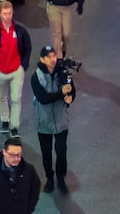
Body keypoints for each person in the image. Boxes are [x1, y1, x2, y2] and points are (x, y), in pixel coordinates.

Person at [0, 1, 32, 138]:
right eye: (5, 14)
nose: (8, 16)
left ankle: (14, 125)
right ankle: (5, 120)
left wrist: (23, 66)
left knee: (16, 98)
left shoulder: (20, 30)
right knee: (2, 97)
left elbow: (27, 48)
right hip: (0, 70)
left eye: (10, 13)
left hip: (16, 70)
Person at [30, 46, 74, 195]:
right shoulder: (36, 77)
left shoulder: (64, 72)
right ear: (42, 59)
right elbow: (43, 99)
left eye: (54, 56)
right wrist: (61, 93)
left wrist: (70, 97)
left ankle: (61, 179)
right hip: (44, 122)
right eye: (48, 57)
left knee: (62, 152)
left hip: (61, 121)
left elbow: (71, 89)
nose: (52, 59)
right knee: (46, 153)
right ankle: (50, 178)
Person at [0, 136, 41, 214]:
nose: (16, 159)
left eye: (18, 155)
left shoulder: (29, 170)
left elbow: (35, 188)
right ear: (4, 152)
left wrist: (29, 209)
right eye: (12, 155)